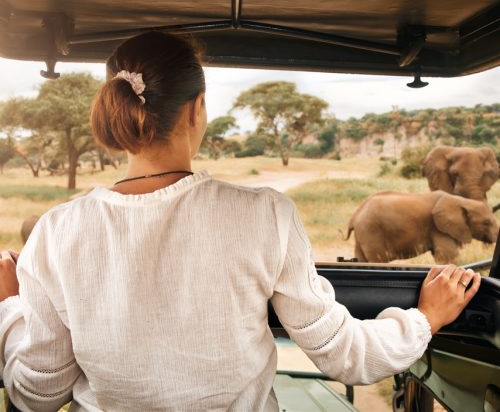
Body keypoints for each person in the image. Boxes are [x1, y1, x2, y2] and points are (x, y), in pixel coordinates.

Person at [0, 32, 481, 411]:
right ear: (196, 108)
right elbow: (344, 353)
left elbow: (36, 395)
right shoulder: (266, 213)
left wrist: (10, 308)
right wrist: (425, 318)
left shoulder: (56, 231)